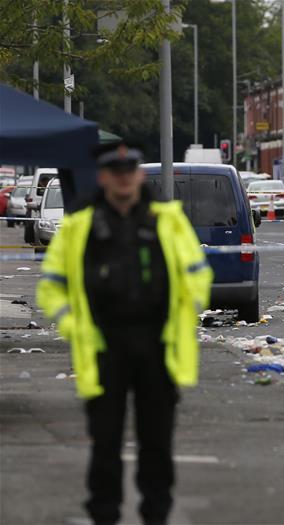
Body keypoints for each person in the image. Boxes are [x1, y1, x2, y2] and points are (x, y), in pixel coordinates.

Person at [37, 141, 212, 525]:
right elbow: (52, 285)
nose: (124, 180)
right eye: (116, 174)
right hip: (104, 346)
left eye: (129, 172)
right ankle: (104, 513)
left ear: (136, 175)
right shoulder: (79, 225)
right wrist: (73, 325)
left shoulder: (167, 219)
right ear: (104, 178)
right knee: (105, 441)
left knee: (157, 440)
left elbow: (197, 274)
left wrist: (186, 314)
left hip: (158, 344)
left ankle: (156, 513)